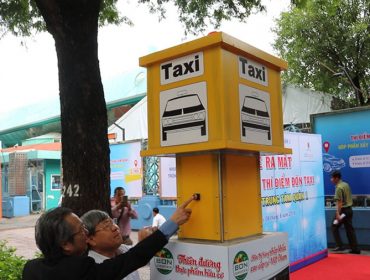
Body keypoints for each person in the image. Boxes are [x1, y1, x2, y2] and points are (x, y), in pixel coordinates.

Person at [22, 195, 195, 280]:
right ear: (66, 244)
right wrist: (172, 223)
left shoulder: (31, 269)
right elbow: (133, 258)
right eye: (81, 230)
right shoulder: (80, 269)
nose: (85, 233)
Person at [81, 210, 140, 280]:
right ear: (91, 239)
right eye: (106, 226)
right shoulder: (93, 268)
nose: (114, 228)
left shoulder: (124, 249)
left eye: (113, 222)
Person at [331, 171, 361, 254]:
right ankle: (355, 249)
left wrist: (337, 213)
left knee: (334, 226)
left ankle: (340, 246)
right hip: (349, 210)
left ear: (336, 178)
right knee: (349, 230)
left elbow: (339, 202)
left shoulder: (339, 188)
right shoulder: (345, 184)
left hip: (343, 211)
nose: (331, 180)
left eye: (332, 178)